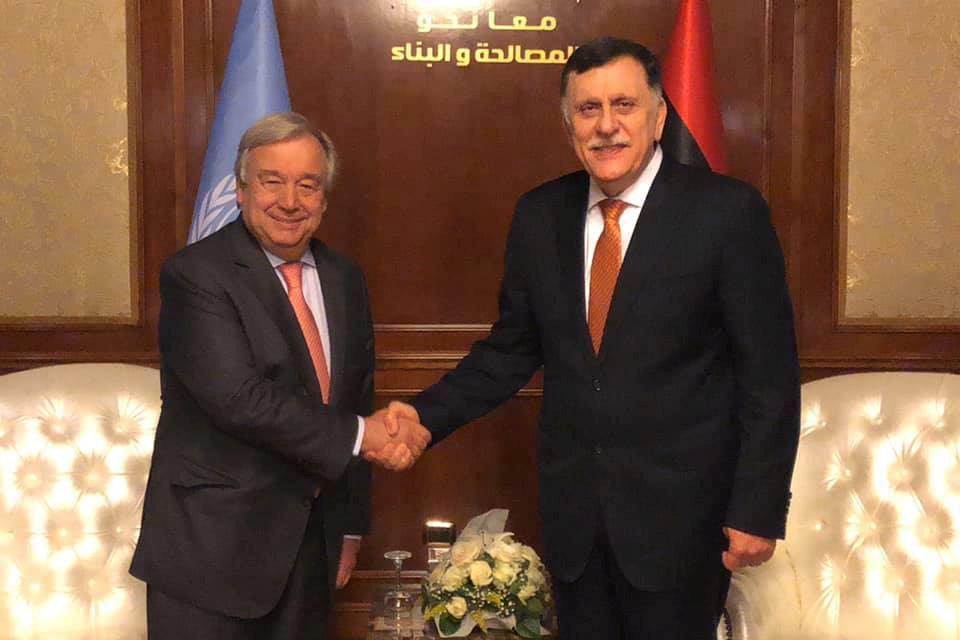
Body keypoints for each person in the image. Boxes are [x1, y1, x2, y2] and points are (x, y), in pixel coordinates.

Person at [384, 37, 800, 639]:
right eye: (588, 110)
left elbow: (769, 376)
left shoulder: (727, 213)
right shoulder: (538, 215)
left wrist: (757, 511)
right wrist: (424, 416)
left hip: (683, 523)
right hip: (576, 522)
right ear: (569, 125)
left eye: (624, 105)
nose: (607, 126)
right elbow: (510, 350)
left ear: (658, 116)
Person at [130, 112, 430, 640]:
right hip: (211, 554)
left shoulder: (343, 277)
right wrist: (367, 436)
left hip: (311, 548)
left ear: (324, 198)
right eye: (272, 181)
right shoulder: (196, 274)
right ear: (241, 190)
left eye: (307, 185)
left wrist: (350, 525)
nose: (290, 201)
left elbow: (354, 396)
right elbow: (238, 398)